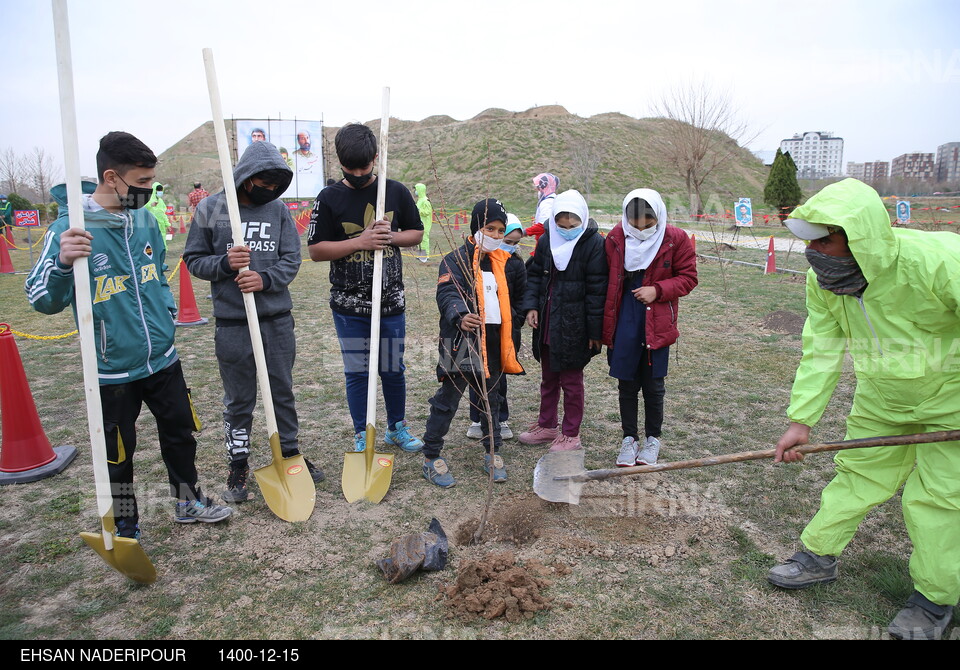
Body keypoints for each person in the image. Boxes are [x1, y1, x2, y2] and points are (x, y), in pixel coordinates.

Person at [767, 178, 960, 640]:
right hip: (882, 397)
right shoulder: (824, 279)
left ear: (860, 237)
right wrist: (802, 420)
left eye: (826, 240)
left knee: (937, 499)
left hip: (951, 399)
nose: (814, 251)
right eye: (810, 240)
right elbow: (822, 347)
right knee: (856, 474)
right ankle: (818, 555)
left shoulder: (938, 262)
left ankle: (935, 600)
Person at [24, 131, 232, 539]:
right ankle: (124, 522)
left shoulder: (145, 220)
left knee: (180, 432)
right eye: (140, 183)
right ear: (111, 177)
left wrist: (167, 313)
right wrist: (64, 263)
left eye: (151, 183)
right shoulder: (71, 230)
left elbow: (156, 281)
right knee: (117, 454)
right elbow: (41, 299)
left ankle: (187, 500)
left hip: (163, 357)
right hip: (112, 369)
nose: (147, 191)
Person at [183, 140, 324, 503]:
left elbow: (291, 259)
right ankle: (239, 464)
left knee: (282, 392)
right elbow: (194, 259)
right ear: (246, 177)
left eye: (277, 184)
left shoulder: (277, 211)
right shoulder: (212, 209)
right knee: (239, 399)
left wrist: (265, 279)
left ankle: (290, 455)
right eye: (264, 182)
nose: (271, 190)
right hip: (233, 324)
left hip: (276, 321)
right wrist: (224, 265)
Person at [307, 123, 424, 453]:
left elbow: (415, 232)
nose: (358, 173)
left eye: (365, 166)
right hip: (348, 306)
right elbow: (316, 250)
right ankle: (362, 432)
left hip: (390, 301)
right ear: (339, 162)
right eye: (350, 168)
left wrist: (389, 237)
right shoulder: (329, 198)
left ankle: (396, 427)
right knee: (358, 371)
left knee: (392, 368)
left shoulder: (395, 191)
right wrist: (360, 241)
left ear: (376, 157)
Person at [422, 199, 526, 487]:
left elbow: (513, 298)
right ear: (475, 227)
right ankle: (431, 455)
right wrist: (460, 315)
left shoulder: (503, 262)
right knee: (448, 400)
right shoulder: (455, 260)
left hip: (493, 340)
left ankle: (492, 452)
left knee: (491, 400)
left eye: (499, 230)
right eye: (488, 228)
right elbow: (447, 292)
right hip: (462, 340)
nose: (494, 235)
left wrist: (515, 322)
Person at [603, 190, 697, 467]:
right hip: (624, 320)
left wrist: (658, 290)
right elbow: (605, 280)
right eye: (636, 222)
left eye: (648, 221)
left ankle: (652, 439)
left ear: (659, 215)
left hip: (656, 320)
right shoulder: (615, 238)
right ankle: (628, 439)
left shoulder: (675, 239)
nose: (642, 228)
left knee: (654, 386)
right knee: (627, 384)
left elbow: (688, 277)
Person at [519, 190, 607, 451]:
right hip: (548, 321)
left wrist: (594, 331)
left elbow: (597, 291)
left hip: (575, 326)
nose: (567, 230)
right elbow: (534, 276)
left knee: (571, 381)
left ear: (583, 219)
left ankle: (571, 433)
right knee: (548, 377)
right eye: (562, 225)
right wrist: (531, 306)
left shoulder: (594, 244)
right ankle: (546, 425)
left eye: (573, 225)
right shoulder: (547, 240)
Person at [466, 214, 525, 440]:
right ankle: (476, 418)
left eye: (513, 242)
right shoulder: (473, 260)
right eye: (505, 240)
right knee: (477, 373)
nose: (507, 245)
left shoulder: (516, 264)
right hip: (479, 328)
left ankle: (501, 417)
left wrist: (515, 319)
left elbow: (522, 295)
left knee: (499, 376)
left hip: (505, 331)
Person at [524, 173, 560, 253]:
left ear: (544, 187)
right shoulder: (554, 200)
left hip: (545, 244)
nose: (537, 191)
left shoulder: (547, 203)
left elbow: (543, 225)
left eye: (538, 188)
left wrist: (525, 232)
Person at [145, 182, 170, 246]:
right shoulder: (148, 200)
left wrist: (167, 224)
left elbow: (163, 214)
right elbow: (143, 208)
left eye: (161, 190)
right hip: (152, 225)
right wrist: (151, 205)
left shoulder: (161, 201)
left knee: (163, 243)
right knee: (154, 243)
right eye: (158, 190)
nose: (160, 192)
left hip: (162, 226)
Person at [414, 183, 433, 263]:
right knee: (419, 240)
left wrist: (419, 211)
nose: (415, 191)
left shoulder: (425, 201)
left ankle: (425, 256)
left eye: (416, 189)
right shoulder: (420, 200)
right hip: (419, 223)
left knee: (424, 240)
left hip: (425, 224)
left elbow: (427, 212)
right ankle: (420, 255)